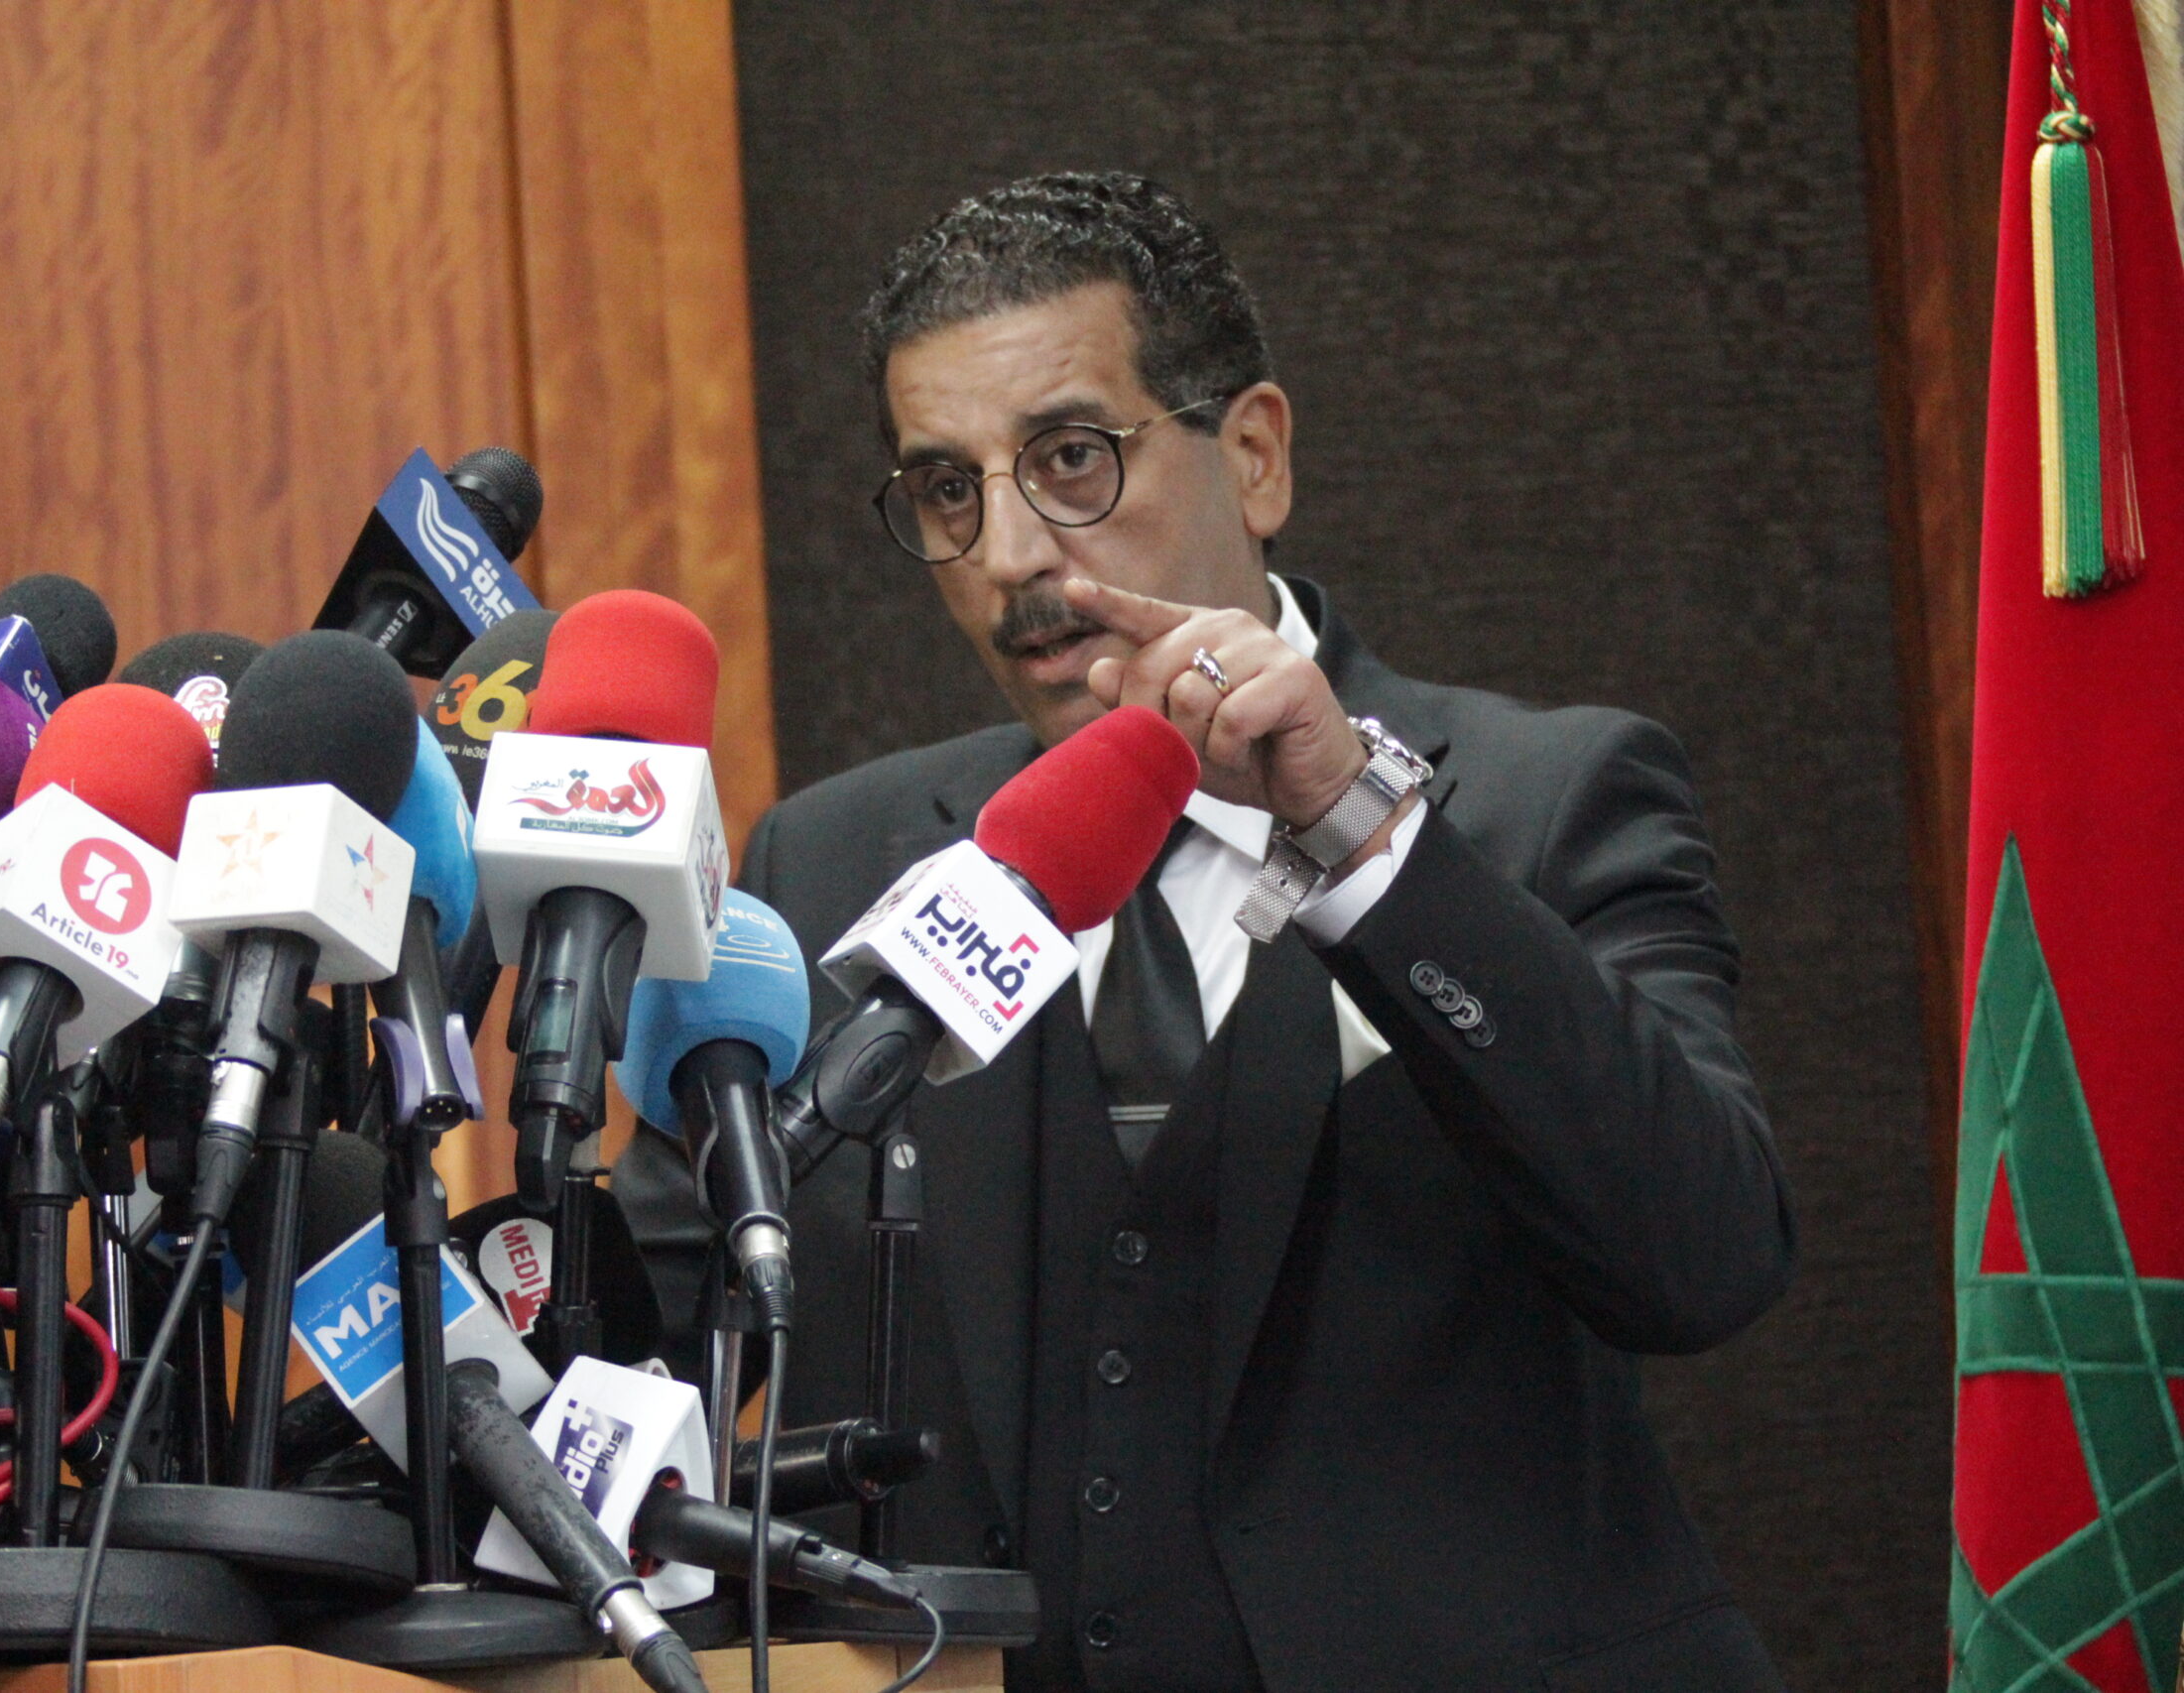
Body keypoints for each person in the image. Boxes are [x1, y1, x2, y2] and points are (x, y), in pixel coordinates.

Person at [615, 172, 1795, 1693]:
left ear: (1254, 456)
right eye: (949, 489)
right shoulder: (836, 859)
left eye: (1071, 459)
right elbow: (639, 1332)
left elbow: (1704, 1258)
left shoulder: (1544, 801)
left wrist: (1360, 840)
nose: (1009, 556)